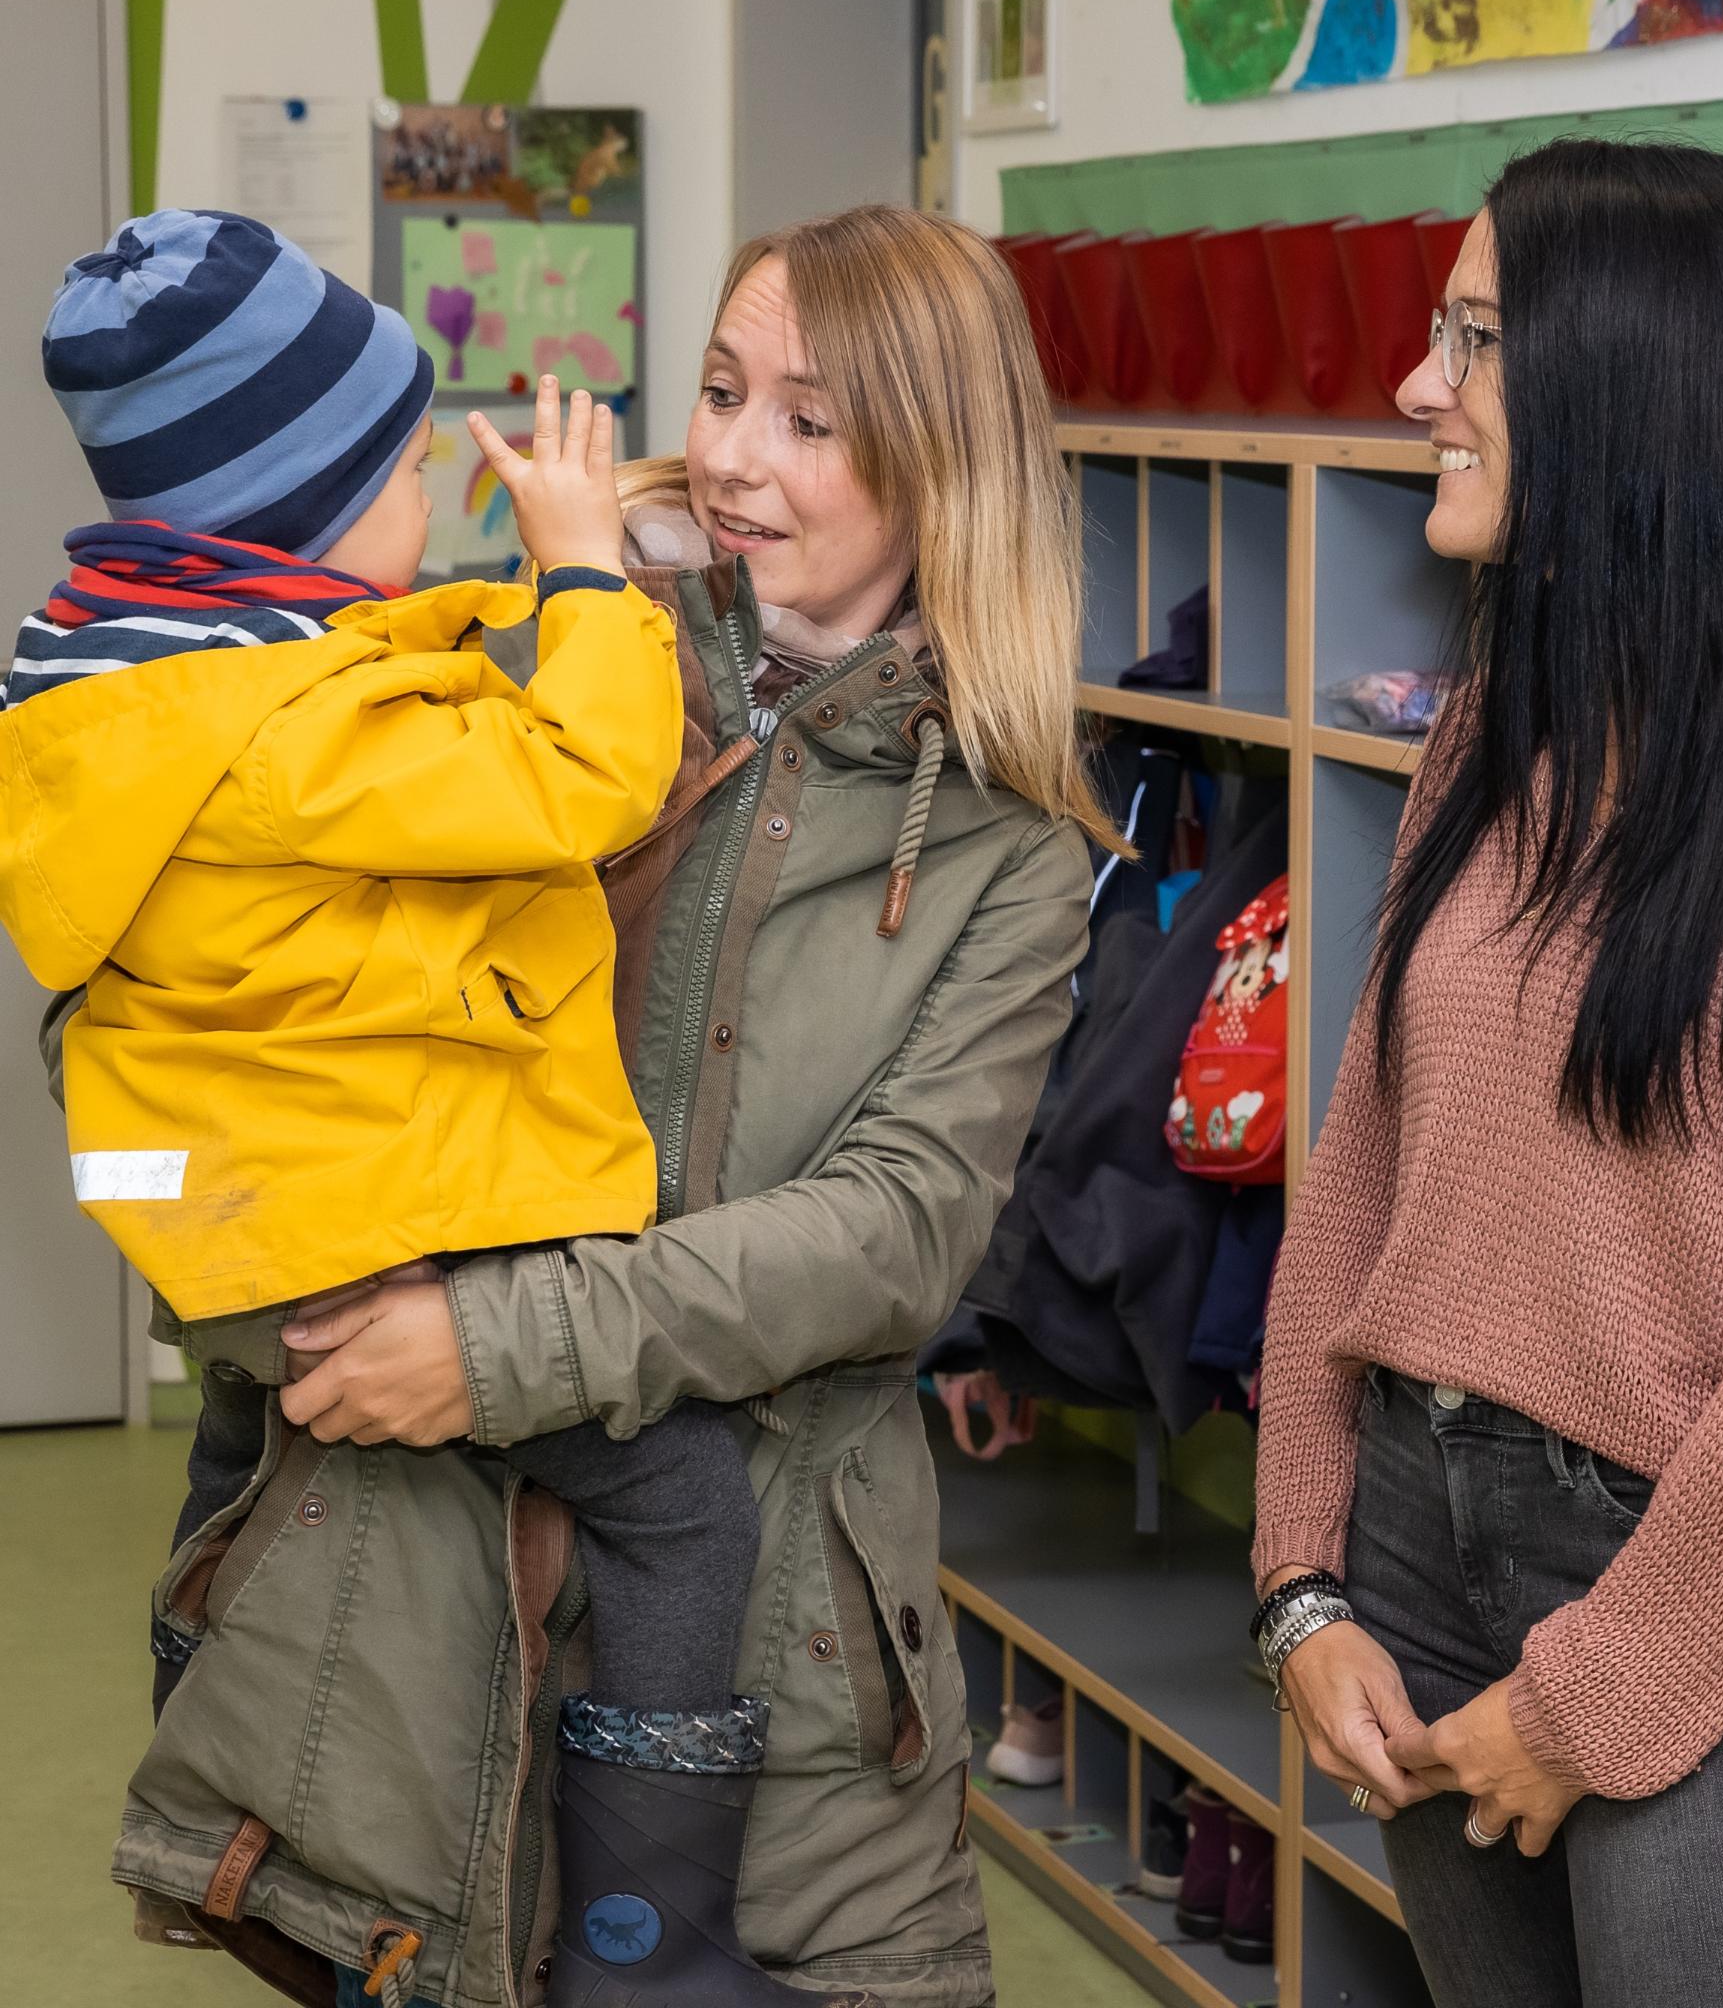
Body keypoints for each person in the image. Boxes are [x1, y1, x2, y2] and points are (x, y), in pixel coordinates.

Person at [93, 205, 1111, 2008]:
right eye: (721, 389)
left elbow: (889, 1238)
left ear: (945, 461)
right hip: (397, 1634)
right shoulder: (506, 671)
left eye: (809, 417)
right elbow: (181, 994)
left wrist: (496, 1345)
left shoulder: (1011, 845)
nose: (727, 454)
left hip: (791, 1698)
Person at [6, 209, 866, 2006]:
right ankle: (653, 1942)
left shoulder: (128, 680)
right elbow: (584, 775)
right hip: (383, 1215)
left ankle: (229, 1767)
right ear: (300, 511)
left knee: (262, 1464)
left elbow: (379, 672)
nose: (430, 495)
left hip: (239, 1227)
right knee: (680, 1502)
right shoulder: (302, 732)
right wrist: (575, 579)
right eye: (403, 465)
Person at [1250, 140, 1723, 2007]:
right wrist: (1303, 1582)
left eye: (1477, 340)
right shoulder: (1515, 707)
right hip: (1420, 1555)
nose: (1418, 387)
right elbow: (1360, 1166)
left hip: (1713, 1603)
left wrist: (1595, 1700)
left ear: (1636, 374)